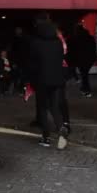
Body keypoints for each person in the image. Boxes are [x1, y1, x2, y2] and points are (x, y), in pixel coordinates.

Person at [27, 15, 69, 149]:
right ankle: (61, 127)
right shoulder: (57, 42)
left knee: (43, 108)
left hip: (42, 80)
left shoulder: (35, 43)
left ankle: (46, 137)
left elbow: (32, 64)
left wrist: (30, 80)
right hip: (57, 80)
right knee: (54, 107)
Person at [66, 23, 97, 97]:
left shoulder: (72, 38)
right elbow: (94, 48)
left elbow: (69, 50)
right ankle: (85, 89)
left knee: (83, 74)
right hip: (89, 59)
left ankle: (86, 90)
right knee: (84, 74)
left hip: (78, 59)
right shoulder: (90, 38)